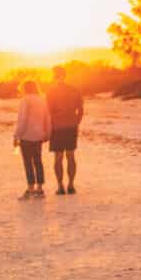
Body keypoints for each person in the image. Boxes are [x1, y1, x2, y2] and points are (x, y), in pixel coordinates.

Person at [46, 66, 85, 195]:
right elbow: (80, 109)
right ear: (65, 75)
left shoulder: (51, 91)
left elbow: (48, 111)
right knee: (70, 155)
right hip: (70, 126)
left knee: (58, 157)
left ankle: (60, 186)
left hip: (57, 126)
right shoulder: (74, 90)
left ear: (54, 76)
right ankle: (71, 185)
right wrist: (75, 121)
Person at [13, 80, 51, 199]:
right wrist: (47, 133)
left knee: (28, 163)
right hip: (39, 135)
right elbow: (47, 118)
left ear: (25, 88)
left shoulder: (25, 100)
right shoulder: (42, 99)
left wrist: (16, 135)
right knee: (38, 161)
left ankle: (30, 188)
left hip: (27, 136)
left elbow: (23, 120)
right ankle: (39, 189)